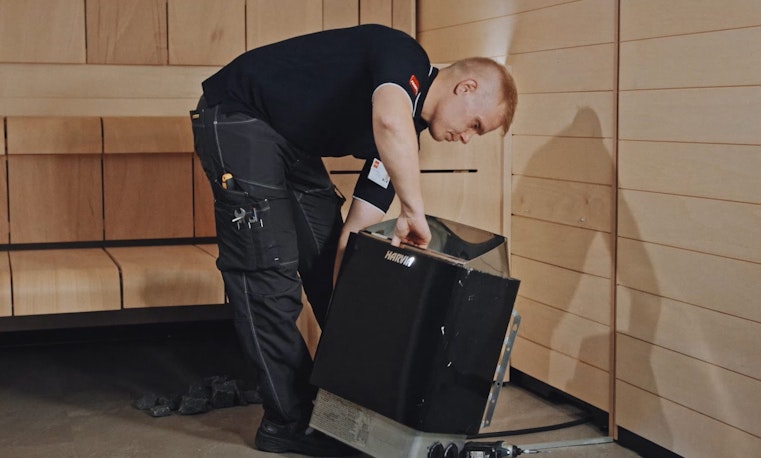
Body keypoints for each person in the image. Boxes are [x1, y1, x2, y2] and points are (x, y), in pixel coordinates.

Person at [190, 24, 517, 456]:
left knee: (339, 266)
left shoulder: (402, 142)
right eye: (475, 124)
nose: (467, 138)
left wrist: (348, 303)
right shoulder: (404, 57)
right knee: (266, 273)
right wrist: (413, 211)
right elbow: (388, 117)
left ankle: (348, 405)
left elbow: (356, 233)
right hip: (239, 114)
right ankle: (287, 421)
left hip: (290, 141)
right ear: (466, 86)